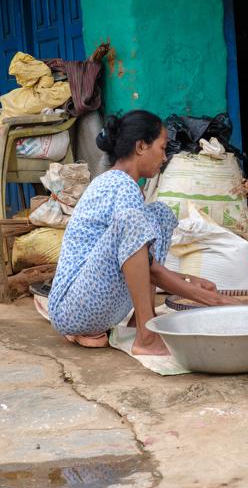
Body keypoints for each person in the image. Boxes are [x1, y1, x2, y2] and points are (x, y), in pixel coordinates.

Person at [48, 110, 235, 355]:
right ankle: (146, 337)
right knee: (135, 221)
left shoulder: (122, 185)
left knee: (160, 214)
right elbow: (149, 267)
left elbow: (145, 261)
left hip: (87, 303)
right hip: (73, 307)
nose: (165, 156)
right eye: (161, 147)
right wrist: (210, 299)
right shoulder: (120, 185)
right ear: (140, 147)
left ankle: (142, 319)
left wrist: (186, 278)